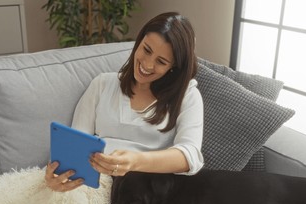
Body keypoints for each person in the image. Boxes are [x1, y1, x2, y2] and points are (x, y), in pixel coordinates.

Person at [45, 12, 204, 192]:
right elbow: (75, 144)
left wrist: (135, 161)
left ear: (173, 67)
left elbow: (190, 157)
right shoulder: (103, 84)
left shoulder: (187, 96)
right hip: (91, 185)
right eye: (146, 50)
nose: (148, 65)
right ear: (139, 42)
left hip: (139, 194)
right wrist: (57, 178)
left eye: (161, 61)